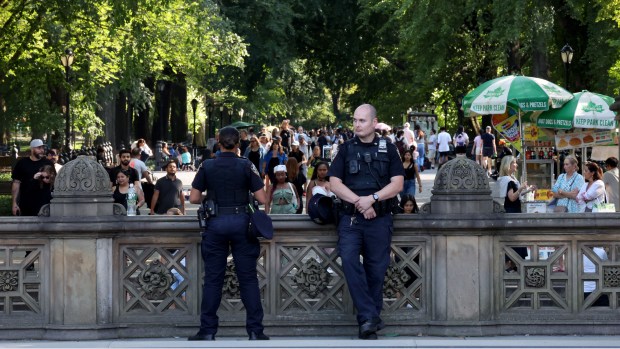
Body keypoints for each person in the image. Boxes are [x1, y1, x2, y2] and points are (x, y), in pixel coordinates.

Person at [328, 104, 404, 340]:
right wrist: (360, 203)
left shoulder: (389, 149)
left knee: (376, 271)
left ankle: (368, 323)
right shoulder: (345, 149)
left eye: (362, 121)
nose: (357, 125)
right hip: (351, 218)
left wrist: (372, 199)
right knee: (349, 260)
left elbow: (398, 184)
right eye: (355, 120)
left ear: (374, 122)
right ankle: (370, 316)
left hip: (380, 218)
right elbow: (334, 183)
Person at [188, 126, 269, 341]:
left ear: (218, 141)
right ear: (238, 143)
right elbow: (262, 199)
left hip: (215, 224)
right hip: (242, 223)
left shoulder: (208, 165)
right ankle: (255, 330)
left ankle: (207, 331)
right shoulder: (246, 165)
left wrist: (211, 199)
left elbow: (194, 198)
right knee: (248, 278)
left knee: (213, 279)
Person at [11, 139, 53, 216]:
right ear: (32, 149)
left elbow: (53, 182)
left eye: (43, 148)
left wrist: (46, 177)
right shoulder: (22, 163)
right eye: (39, 148)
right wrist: (14, 203)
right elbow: (16, 183)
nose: (42, 150)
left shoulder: (48, 163)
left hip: (45, 204)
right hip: (27, 204)